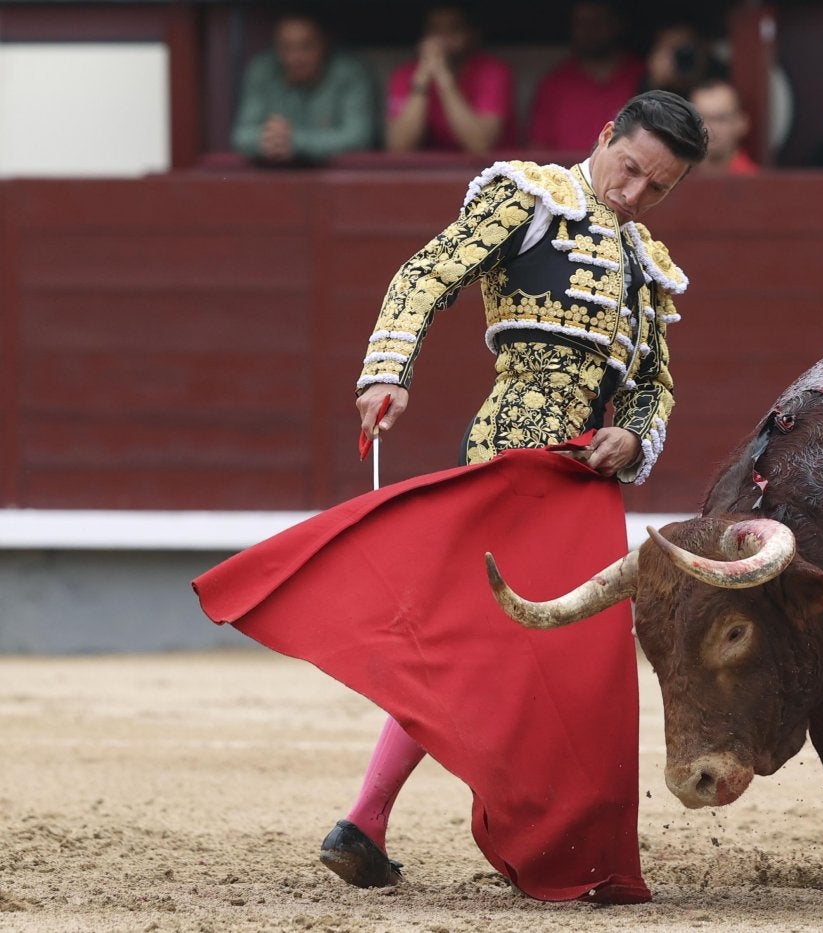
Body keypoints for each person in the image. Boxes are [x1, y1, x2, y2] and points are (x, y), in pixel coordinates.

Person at [320, 90, 708, 898]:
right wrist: (388, 370)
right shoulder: (531, 199)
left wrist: (633, 436)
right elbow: (427, 272)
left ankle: (375, 821)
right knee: (506, 646)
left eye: (657, 188)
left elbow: (651, 385)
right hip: (511, 449)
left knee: (545, 656)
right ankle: (384, 819)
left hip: (586, 481)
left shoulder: (644, 264)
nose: (632, 195)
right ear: (604, 136)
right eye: (629, 168)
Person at [231, 12, 376, 165]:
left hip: (334, 180)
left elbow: (359, 137)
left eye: (306, 46)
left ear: (324, 43)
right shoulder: (263, 71)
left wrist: (296, 143)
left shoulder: (349, 72)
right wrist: (269, 141)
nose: (295, 57)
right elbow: (242, 136)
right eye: (286, 47)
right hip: (275, 177)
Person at [384, 4, 516, 154]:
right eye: (434, 30)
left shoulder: (493, 72)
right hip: (429, 172)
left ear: (473, 34)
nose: (443, 38)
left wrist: (444, 79)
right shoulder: (407, 74)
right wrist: (422, 82)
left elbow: (480, 145)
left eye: (454, 28)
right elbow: (399, 147)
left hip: (489, 172)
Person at [526, 1, 645, 151]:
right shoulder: (555, 82)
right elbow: (537, 148)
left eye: (598, 22)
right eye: (582, 23)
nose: (589, 31)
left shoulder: (643, 75)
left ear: (618, 24)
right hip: (567, 172)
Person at [637, 21, 725, 98]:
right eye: (672, 49)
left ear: (703, 48)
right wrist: (654, 83)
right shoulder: (649, 85)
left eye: (685, 49)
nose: (681, 58)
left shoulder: (722, 78)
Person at [689, 78, 758, 175]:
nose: (709, 128)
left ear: (741, 123)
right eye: (701, 119)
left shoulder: (755, 182)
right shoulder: (674, 181)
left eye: (720, 119)